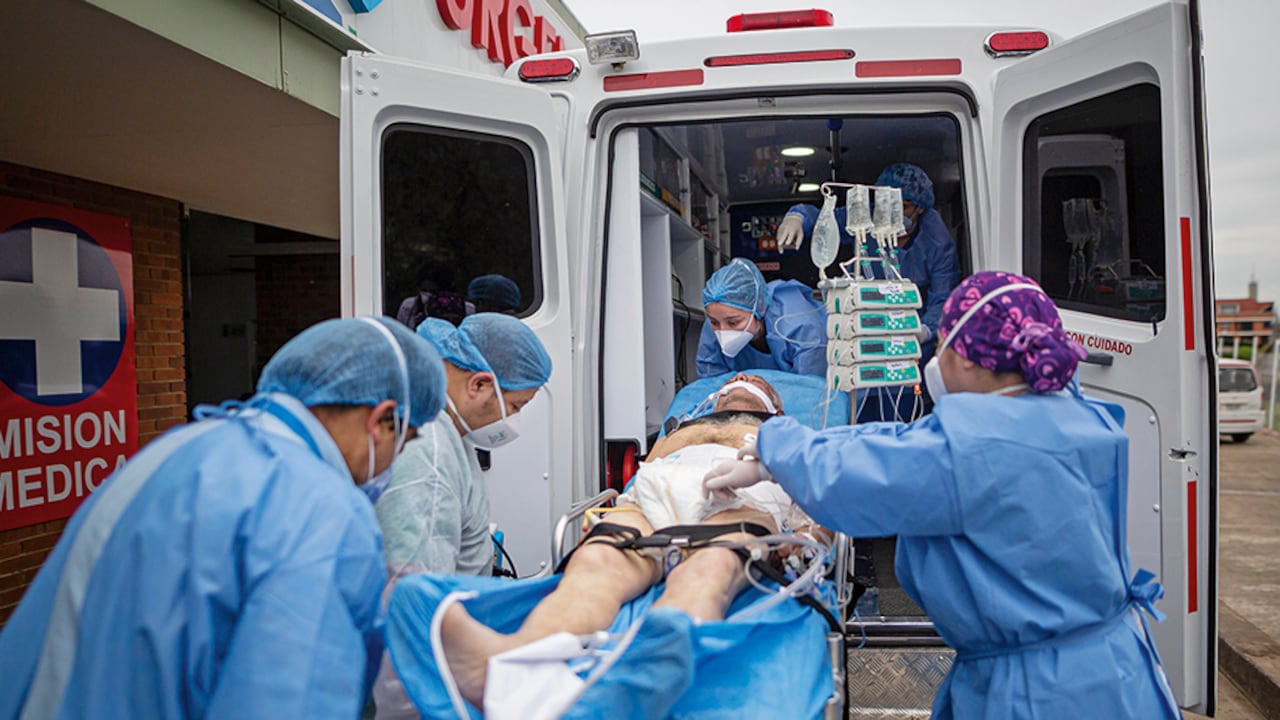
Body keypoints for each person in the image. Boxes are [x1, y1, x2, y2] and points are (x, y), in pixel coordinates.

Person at [703, 271, 1181, 719]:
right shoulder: (1075, 416)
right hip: (1116, 666)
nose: (935, 360)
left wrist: (778, 445)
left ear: (970, 359)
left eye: (944, 345)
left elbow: (875, 474)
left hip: (1040, 690)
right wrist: (794, 448)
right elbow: (903, 443)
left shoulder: (976, 447)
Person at [0, 317, 447, 720]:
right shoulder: (323, 512)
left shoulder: (180, 446)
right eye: (402, 443)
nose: (392, 464)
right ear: (383, 419)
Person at [385, 406, 833, 719]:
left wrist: (807, 535)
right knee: (596, 565)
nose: (740, 385)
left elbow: (823, 505)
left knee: (711, 568)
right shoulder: (680, 432)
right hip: (658, 485)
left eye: (752, 384)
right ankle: (505, 664)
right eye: (734, 384)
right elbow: (635, 480)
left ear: (772, 401)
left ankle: (648, 670)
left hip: (750, 494)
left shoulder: (789, 439)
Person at [370, 312, 552, 719]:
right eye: (517, 405)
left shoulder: (447, 430)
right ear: (479, 384)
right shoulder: (428, 454)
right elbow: (410, 603)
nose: (513, 420)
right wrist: (421, 709)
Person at [777, 162, 961, 363]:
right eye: (890, 205)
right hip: (867, 325)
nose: (894, 213)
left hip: (914, 336)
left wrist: (922, 331)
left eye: (904, 207)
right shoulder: (867, 216)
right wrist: (797, 217)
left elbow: (944, 298)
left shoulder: (937, 241)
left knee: (908, 383)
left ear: (921, 208)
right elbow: (826, 219)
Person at [696, 258, 827, 378]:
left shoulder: (799, 326)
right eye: (714, 322)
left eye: (734, 323)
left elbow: (811, 389)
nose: (723, 331)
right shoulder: (716, 321)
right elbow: (710, 383)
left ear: (760, 309)